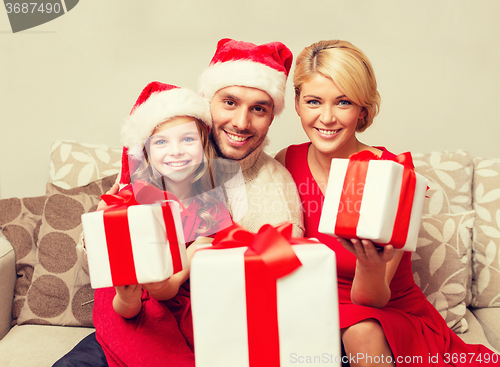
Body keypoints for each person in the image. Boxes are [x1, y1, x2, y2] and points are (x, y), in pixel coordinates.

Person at [53, 38, 304, 367]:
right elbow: (105, 263)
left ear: (272, 116)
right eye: (229, 102)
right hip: (131, 311)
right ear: (206, 103)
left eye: (259, 108)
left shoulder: (273, 182)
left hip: (213, 321)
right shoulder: (155, 164)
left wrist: (206, 253)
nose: (242, 122)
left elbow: (282, 277)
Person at [275, 39, 500, 366]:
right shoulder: (286, 161)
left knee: (360, 330)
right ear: (296, 103)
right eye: (313, 101)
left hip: (383, 310)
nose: (326, 117)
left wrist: (369, 264)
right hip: (319, 307)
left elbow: (375, 297)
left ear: (362, 109)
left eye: (343, 102)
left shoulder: (391, 173)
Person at [93, 81, 233, 367]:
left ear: (204, 145)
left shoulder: (211, 210)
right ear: (145, 152)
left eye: (187, 139)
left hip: (176, 303)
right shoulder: (123, 204)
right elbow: (123, 307)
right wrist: (127, 296)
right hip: (124, 308)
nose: (176, 151)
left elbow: (168, 288)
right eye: (161, 141)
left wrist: (160, 283)